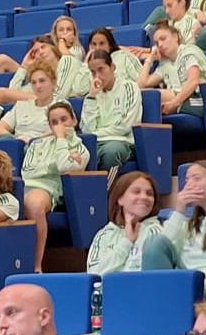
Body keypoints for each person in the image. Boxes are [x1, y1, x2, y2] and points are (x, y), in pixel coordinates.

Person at [22, 103, 91, 268]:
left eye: (63, 119)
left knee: (34, 203)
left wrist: (61, 140)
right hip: (25, 185)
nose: (59, 125)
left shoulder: (81, 149)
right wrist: (57, 162)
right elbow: (27, 171)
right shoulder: (36, 144)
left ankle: (36, 265)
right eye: (54, 122)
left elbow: (65, 168)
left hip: (48, 188)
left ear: (74, 120)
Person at [87, 171, 167, 275]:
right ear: (120, 199)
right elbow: (94, 272)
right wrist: (127, 242)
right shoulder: (105, 234)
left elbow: (142, 273)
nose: (144, 197)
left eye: (149, 193)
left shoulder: (157, 232)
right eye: (136, 192)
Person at [139, 22, 206, 117]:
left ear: (175, 37)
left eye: (163, 39)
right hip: (180, 99)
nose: (160, 45)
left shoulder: (189, 51)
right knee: (143, 95)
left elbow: (193, 81)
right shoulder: (165, 64)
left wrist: (174, 103)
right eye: (157, 43)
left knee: (152, 96)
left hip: (201, 100)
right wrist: (150, 59)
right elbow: (142, 84)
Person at [83, 49, 141, 170]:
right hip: (96, 142)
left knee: (111, 152)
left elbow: (125, 126)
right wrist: (92, 97)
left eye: (101, 69)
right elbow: (86, 129)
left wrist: (95, 134)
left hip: (122, 142)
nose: (97, 76)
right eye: (93, 72)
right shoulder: (92, 94)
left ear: (112, 67)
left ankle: (108, 183)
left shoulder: (129, 87)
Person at [0, 36, 89, 106]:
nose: (40, 52)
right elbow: (12, 95)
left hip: (60, 110)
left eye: (43, 47)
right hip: (42, 112)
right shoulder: (39, 77)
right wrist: (24, 66)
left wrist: (8, 94)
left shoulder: (67, 60)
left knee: (2, 93)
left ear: (53, 48)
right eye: (35, 52)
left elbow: (59, 96)